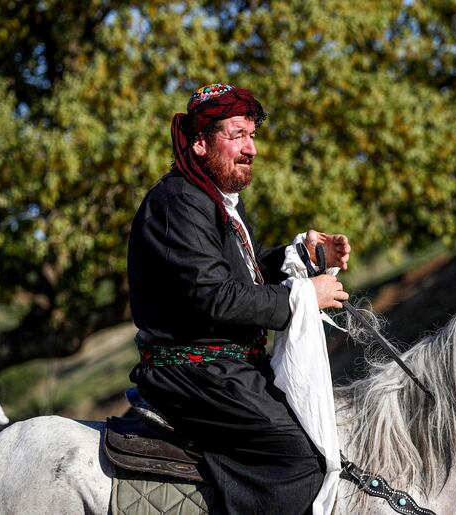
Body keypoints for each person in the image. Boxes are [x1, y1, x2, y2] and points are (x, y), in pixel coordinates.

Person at [127, 82, 350, 514]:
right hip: (192, 371)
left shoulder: (217, 199)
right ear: (198, 144)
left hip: (228, 367)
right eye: (236, 136)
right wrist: (303, 297)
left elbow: (240, 275)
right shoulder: (178, 203)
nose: (250, 149)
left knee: (320, 431)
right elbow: (217, 297)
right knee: (299, 458)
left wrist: (302, 255)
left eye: (253, 136)